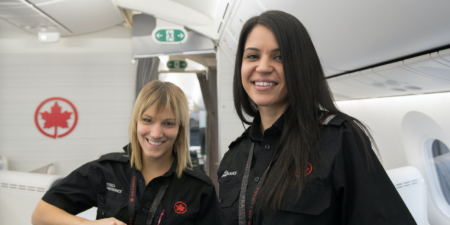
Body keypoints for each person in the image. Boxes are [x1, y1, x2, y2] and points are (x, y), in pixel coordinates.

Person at [217, 10, 416, 225]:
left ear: (300, 66)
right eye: (252, 56)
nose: (263, 67)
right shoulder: (234, 156)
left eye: (280, 57)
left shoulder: (339, 140)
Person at [32, 81, 221, 225]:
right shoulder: (106, 171)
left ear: (180, 128)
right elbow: (40, 215)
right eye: (147, 120)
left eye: (168, 123)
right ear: (136, 122)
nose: (156, 133)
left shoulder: (199, 188)